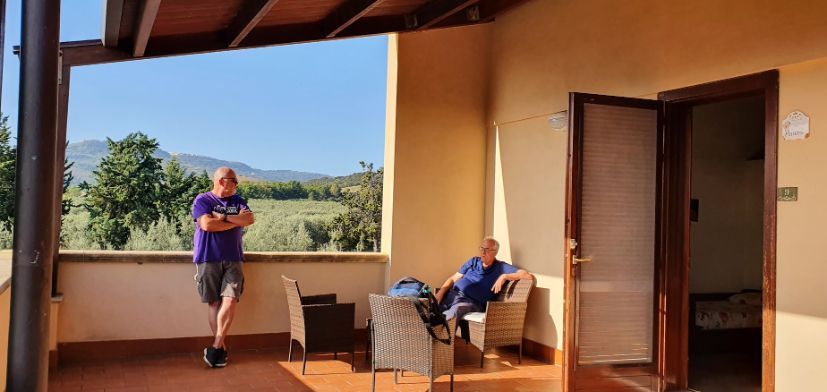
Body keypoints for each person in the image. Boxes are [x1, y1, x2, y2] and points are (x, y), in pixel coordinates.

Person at [192, 167, 255, 368]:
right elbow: (207, 225)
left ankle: (216, 346)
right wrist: (235, 222)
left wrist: (224, 219)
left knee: (230, 300)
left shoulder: (238, 201)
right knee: (214, 303)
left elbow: (249, 219)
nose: (237, 184)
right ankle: (221, 350)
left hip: (233, 258)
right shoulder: (203, 200)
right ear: (221, 181)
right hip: (207, 257)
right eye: (234, 181)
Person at [435, 237, 531, 339]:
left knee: (456, 310)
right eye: (481, 248)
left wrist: (505, 276)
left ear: (494, 252)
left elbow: (527, 276)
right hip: (453, 295)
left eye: (487, 249)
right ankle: (426, 340)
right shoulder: (473, 261)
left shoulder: (501, 267)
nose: (483, 252)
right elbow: (454, 278)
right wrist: (440, 293)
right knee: (429, 306)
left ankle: (442, 344)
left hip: (471, 302)